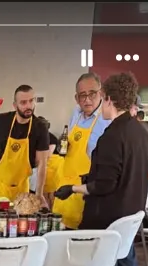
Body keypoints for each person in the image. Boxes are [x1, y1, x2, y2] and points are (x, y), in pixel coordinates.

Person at [55, 73, 148, 266]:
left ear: (108, 99)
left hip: (108, 217)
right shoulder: (140, 132)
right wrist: (90, 175)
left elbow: (106, 184)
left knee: (99, 263)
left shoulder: (111, 136)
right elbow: (122, 171)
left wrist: (74, 189)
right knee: (126, 258)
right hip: (131, 213)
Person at [53, 73, 111, 229]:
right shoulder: (76, 114)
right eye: (82, 95)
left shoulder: (106, 120)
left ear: (101, 93)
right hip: (64, 191)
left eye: (92, 94)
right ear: (76, 98)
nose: (87, 99)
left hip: (85, 194)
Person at [0, 85, 49, 204]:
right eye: (23, 102)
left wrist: (39, 193)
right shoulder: (3, 120)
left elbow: (42, 163)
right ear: (15, 105)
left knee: (20, 221)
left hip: (21, 187)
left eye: (31, 101)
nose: (28, 106)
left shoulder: (40, 128)